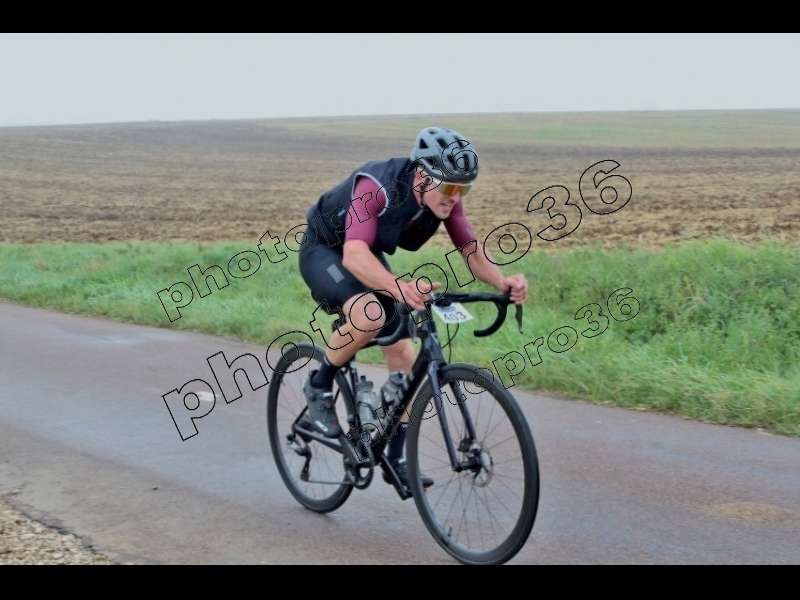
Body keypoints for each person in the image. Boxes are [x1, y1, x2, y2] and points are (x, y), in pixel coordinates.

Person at [299, 127, 529, 492]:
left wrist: (503, 283)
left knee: (404, 352)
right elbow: (354, 256)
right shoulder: (376, 186)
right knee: (370, 316)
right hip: (326, 249)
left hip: (364, 251)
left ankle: (396, 456)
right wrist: (400, 288)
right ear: (422, 175)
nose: (456, 197)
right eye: (450, 188)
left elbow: (470, 249)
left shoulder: (444, 198)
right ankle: (319, 385)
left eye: (465, 189)